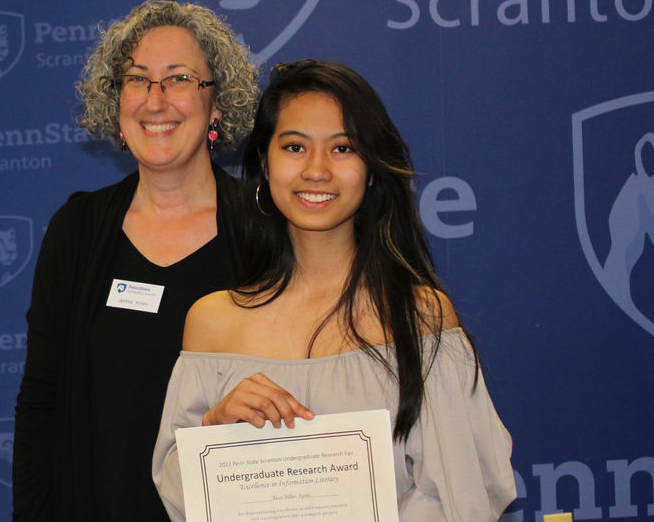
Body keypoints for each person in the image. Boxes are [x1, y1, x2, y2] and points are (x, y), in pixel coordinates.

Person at [153, 59, 516, 520]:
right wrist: (214, 429)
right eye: (295, 147)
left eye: (343, 148)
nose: (317, 171)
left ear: (371, 168)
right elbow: (179, 496)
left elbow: (466, 494)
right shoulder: (211, 322)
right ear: (265, 162)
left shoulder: (419, 316)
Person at [13, 0, 258, 521]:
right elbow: (41, 400)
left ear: (217, 104)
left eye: (179, 79)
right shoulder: (78, 229)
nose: (156, 99)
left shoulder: (266, 231)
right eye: (138, 79)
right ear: (116, 103)